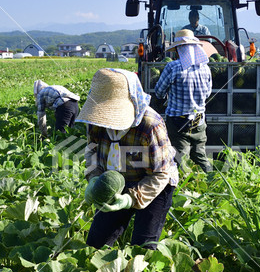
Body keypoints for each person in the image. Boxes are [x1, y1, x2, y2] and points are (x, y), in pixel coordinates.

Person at [76, 68, 178, 250]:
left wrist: (131, 199)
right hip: (115, 183)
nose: (106, 119)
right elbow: (91, 152)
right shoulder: (95, 121)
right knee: (95, 244)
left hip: (155, 184)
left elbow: (161, 173)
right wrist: (93, 179)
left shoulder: (150, 126)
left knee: (142, 247)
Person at [154, 29, 213, 173]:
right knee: (200, 155)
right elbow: (207, 93)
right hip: (199, 121)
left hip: (178, 122)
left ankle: (181, 188)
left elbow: (159, 92)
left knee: (180, 158)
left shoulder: (172, 67)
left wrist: (166, 97)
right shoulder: (205, 68)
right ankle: (213, 181)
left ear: (179, 49)